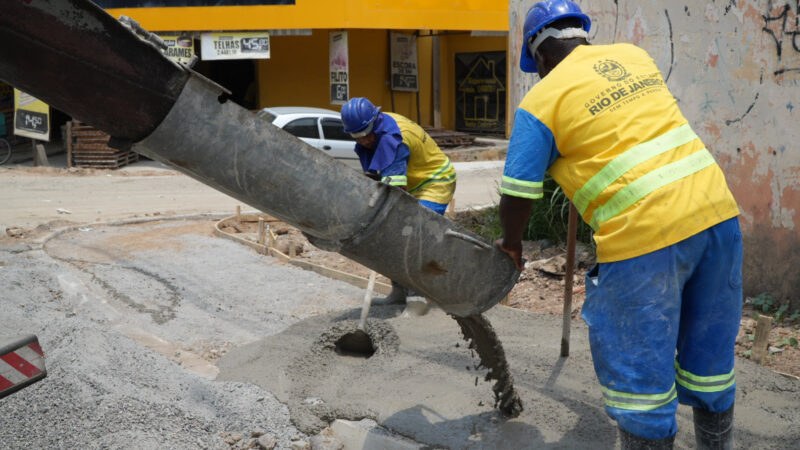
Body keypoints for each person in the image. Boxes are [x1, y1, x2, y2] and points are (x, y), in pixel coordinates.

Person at [496, 1, 742, 449]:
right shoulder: (634, 57)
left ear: (540, 58)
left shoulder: (541, 101)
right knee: (711, 362)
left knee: (641, 385)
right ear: (581, 36)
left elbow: (517, 191)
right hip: (718, 216)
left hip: (645, 237)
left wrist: (511, 245)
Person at [341, 97, 456, 305]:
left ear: (374, 122)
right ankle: (399, 293)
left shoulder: (393, 140)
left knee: (413, 237)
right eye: (356, 136)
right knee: (393, 237)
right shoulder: (378, 127)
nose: (363, 141)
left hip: (435, 181)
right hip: (413, 181)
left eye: (365, 135)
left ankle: (418, 299)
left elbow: (395, 194)